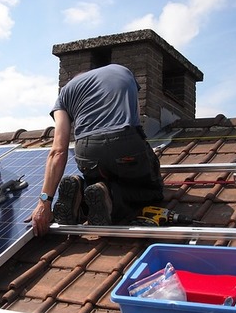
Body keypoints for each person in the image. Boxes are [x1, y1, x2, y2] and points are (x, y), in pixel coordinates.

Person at [29, 64, 163, 237]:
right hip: (125, 142)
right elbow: (136, 120)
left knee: (98, 179)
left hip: (87, 151)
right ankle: (112, 198)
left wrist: (44, 202)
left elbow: (58, 150)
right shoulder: (122, 70)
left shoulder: (65, 92)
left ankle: (80, 188)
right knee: (153, 191)